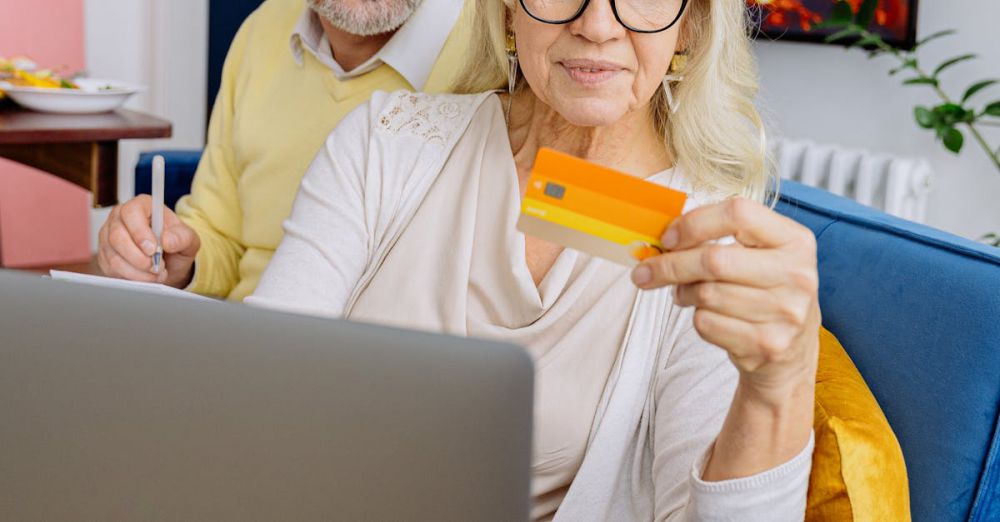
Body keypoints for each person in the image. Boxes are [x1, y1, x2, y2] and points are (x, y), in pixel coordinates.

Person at [249, 0, 821, 519]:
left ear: (690, 25)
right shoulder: (385, 142)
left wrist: (780, 386)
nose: (596, 25)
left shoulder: (709, 246)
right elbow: (260, 387)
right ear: (505, 13)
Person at [96, 0, 470, 300]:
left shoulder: (509, 50)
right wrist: (177, 261)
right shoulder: (262, 31)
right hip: (250, 351)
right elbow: (222, 236)